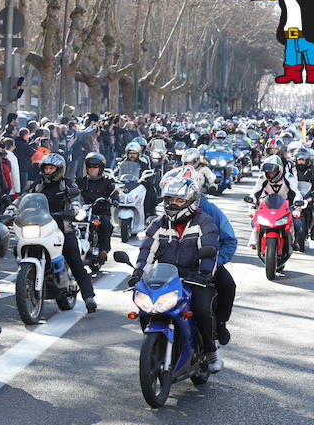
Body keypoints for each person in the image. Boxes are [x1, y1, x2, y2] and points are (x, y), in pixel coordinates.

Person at [129, 176, 223, 371]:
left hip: (195, 278)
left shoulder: (204, 222)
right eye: (170, 200)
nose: (173, 204)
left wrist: (205, 273)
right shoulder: (158, 224)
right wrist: (138, 272)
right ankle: (155, 347)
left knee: (202, 309)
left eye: (179, 200)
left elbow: (209, 249)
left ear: (191, 201)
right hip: (165, 278)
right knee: (145, 307)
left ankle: (210, 350)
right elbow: (147, 251)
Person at [161, 166, 236, 346]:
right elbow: (154, 239)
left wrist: (215, 263)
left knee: (227, 284)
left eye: (182, 196)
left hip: (205, 265)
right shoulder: (169, 210)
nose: (177, 201)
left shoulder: (211, 211)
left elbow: (229, 240)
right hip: (174, 266)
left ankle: (220, 324)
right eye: (175, 197)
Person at [23, 153, 97, 312]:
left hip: (63, 229)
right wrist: (11, 210)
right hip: (41, 229)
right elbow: (22, 199)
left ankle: (88, 297)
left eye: (51, 168)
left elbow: (77, 200)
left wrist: (75, 210)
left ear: (59, 170)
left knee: (75, 262)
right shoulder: (37, 186)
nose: (48, 171)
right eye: (46, 168)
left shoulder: (67, 185)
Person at [250, 155, 304, 247]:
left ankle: (294, 242)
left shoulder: (288, 177)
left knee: (297, 223)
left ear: (279, 170)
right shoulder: (262, 179)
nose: (270, 174)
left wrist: (297, 205)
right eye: (268, 172)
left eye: (273, 172)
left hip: (286, 207)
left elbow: (296, 192)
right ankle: (256, 240)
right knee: (253, 220)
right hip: (267, 207)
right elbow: (255, 192)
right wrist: (252, 205)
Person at [75, 153, 116, 263]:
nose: (92, 169)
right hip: (81, 212)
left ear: (101, 168)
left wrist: (114, 199)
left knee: (106, 224)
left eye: (95, 166)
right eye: (90, 166)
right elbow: (71, 192)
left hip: (100, 211)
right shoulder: (80, 181)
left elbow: (114, 193)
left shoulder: (107, 182)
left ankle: (103, 250)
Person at [293, 146, 314, 239]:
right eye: (299, 160)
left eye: (303, 160)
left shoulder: (311, 169)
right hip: (294, 194)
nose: (301, 162)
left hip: (307, 195)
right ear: (296, 160)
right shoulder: (292, 170)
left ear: (307, 160)